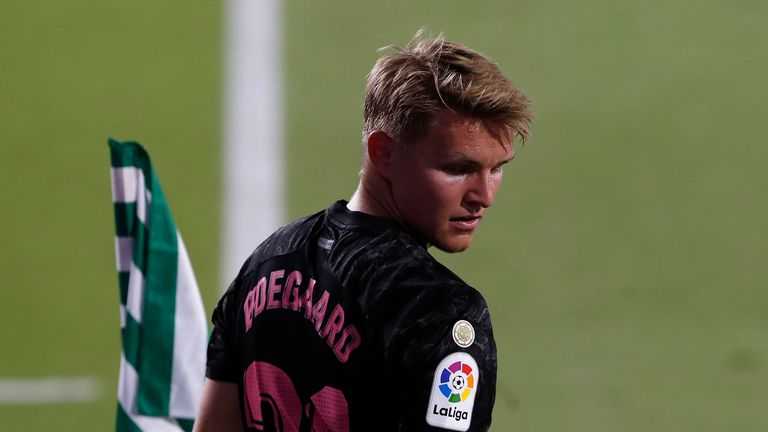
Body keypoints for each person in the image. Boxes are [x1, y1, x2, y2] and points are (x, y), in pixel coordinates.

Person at [194, 31, 533, 432]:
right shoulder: (437, 310)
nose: (484, 195)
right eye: (458, 169)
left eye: (497, 169)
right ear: (383, 154)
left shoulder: (266, 262)